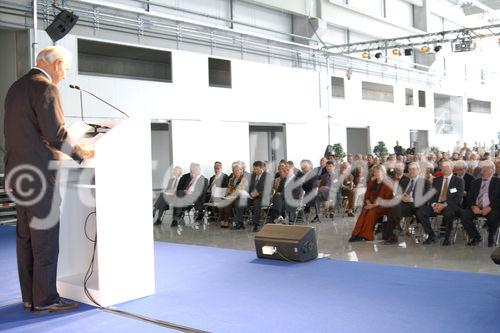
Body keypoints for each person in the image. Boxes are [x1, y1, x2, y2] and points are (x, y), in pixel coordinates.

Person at [4, 46, 93, 311]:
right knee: (45, 238)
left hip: (18, 173)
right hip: (42, 174)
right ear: (56, 64)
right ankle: (46, 299)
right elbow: (56, 134)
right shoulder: (46, 88)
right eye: (65, 69)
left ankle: (30, 297)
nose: (64, 76)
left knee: (25, 238)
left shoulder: (15, 88)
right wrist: (81, 153)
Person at [416, 161, 464, 246]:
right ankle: (431, 235)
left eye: (447, 167)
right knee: (420, 212)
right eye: (443, 168)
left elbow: (458, 198)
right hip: (436, 204)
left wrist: (444, 205)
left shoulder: (458, 181)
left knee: (449, 213)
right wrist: (434, 204)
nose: (445, 169)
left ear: (452, 168)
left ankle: (447, 237)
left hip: (450, 205)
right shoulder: (436, 180)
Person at [384, 163, 432, 244]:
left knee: (396, 208)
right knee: (394, 207)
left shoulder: (425, 182)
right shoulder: (405, 181)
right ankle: (393, 234)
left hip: (417, 205)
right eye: (410, 169)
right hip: (405, 205)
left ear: (418, 170)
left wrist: (411, 199)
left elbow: (426, 198)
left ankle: (394, 230)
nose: (411, 171)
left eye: (414, 169)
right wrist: (401, 197)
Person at [349, 165, 394, 242]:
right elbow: (367, 196)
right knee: (364, 212)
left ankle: (366, 235)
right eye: (374, 172)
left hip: (383, 206)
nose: (376, 173)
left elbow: (388, 198)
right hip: (371, 204)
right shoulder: (371, 182)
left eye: (378, 171)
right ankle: (356, 234)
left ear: (383, 172)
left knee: (371, 212)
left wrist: (373, 205)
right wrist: (368, 203)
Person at [460, 160, 500, 247]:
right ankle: (475, 237)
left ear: (492, 170)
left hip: (492, 208)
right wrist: (473, 206)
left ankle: (491, 237)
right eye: (482, 169)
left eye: (486, 169)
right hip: (477, 207)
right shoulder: (475, 182)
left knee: (495, 215)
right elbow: (469, 197)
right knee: (464, 215)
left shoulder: (498, 182)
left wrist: (490, 207)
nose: (483, 171)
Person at [219, 162, 248, 229]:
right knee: (222, 201)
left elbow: (239, 189)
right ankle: (224, 220)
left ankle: (227, 221)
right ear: (233, 171)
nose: (237, 171)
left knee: (228, 202)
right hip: (231, 197)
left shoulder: (244, 179)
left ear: (242, 170)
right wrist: (226, 196)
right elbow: (228, 189)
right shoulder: (231, 179)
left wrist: (230, 196)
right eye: (235, 170)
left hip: (240, 197)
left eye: (239, 170)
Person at [248, 161, 271, 232]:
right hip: (253, 196)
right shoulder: (253, 176)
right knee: (239, 200)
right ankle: (239, 222)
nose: (255, 171)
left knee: (257, 202)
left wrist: (258, 193)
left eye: (256, 169)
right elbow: (250, 187)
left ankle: (256, 224)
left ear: (262, 168)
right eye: (254, 169)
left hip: (263, 197)